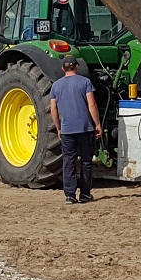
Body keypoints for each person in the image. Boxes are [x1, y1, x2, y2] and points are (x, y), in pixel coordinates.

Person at [47, 56, 101, 204]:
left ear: (62, 68)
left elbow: (53, 109)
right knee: (86, 161)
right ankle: (85, 194)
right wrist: (97, 124)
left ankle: (70, 195)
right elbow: (92, 105)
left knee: (69, 161)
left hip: (67, 130)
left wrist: (58, 127)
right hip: (85, 128)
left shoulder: (56, 86)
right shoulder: (85, 82)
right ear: (76, 67)